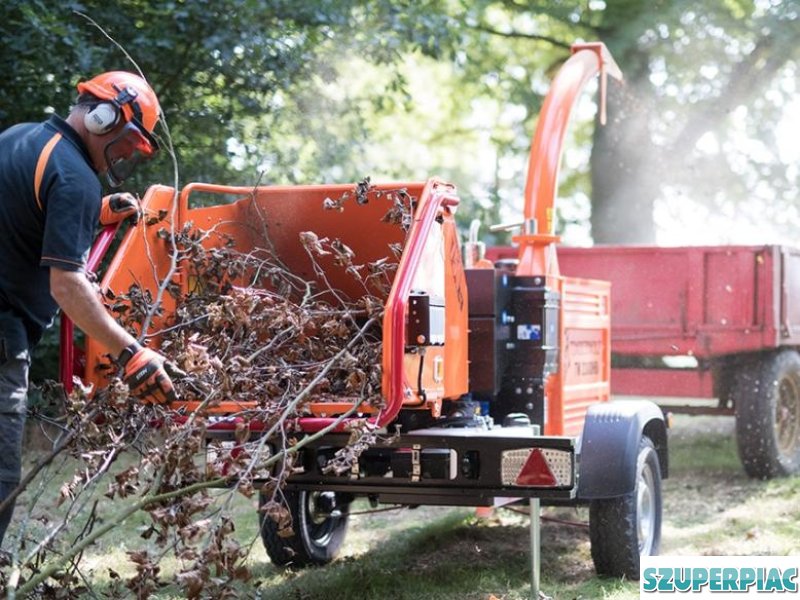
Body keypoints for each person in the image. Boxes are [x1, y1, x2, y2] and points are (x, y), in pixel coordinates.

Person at [0, 71, 176, 547]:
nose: (120, 156)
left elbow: (19, 215)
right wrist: (130, 352)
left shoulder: (20, 138)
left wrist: (92, 215)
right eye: (125, 143)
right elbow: (68, 287)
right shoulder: (74, 176)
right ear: (104, 117)